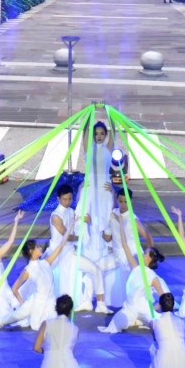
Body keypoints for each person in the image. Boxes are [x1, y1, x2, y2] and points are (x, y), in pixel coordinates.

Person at [0, 232, 69, 331]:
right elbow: (14, 288)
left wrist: (71, 226)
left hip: (50, 303)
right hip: (36, 303)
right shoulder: (28, 270)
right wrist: (23, 304)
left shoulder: (45, 262)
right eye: (38, 247)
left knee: (54, 324)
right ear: (31, 251)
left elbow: (61, 246)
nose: (40, 248)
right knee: (9, 319)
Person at [98, 214, 168, 333]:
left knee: (158, 326)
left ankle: (142, 320)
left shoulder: (153, 277)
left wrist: (153, 309)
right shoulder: (135, 267)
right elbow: (125, 245)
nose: (142, 254)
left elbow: (163, 298)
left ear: (149, 259)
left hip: (144, 309)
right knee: (115, 324)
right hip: (129, 308)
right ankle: (135, 320)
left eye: (145, 253)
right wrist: (121, 224)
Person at [48, 182, 111, 314]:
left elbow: (79, 218)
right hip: (59, 254)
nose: (68, 202)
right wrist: (80, 237)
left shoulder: (72, 211)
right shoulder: (55, 216)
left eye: (69, 199)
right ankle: (65, 306)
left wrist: (87, 220)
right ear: (58, 199)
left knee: (95, 270)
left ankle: (99, 303)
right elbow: (66, 236)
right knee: (63, 281)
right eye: (65, 199)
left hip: (71, 252)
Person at [100, 188, 155, 307]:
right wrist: (104, 235)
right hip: (117, 254)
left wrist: (150, 257)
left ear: (131, 201)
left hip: (131, 255)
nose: (123, 205)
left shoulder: (133, 218)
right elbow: (108, 238)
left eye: (126, 202)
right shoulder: (113, 214)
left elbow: (148, 237)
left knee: (132, 285)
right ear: (117, 200)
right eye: (121, 201)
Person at [34, 294, 86, 368]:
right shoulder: (75, 329)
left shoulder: (46, 324)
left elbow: (36, 348)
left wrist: (47, 351)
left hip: (50, 366)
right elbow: (71, 352)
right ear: (70, 311)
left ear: (56, 308)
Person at [80, 118, 116, 260]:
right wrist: (90, 114)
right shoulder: (88, 149)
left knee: (105, 218)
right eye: (96, 134)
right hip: (90, 188)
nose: (99, 136)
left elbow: (114, 131)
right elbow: (84, 131)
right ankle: (88, 251)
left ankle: (105, 251)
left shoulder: (108, 149)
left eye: (102, 133)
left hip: (104, 188)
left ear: (105, 135)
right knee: (89, 219)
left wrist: (109, 112)